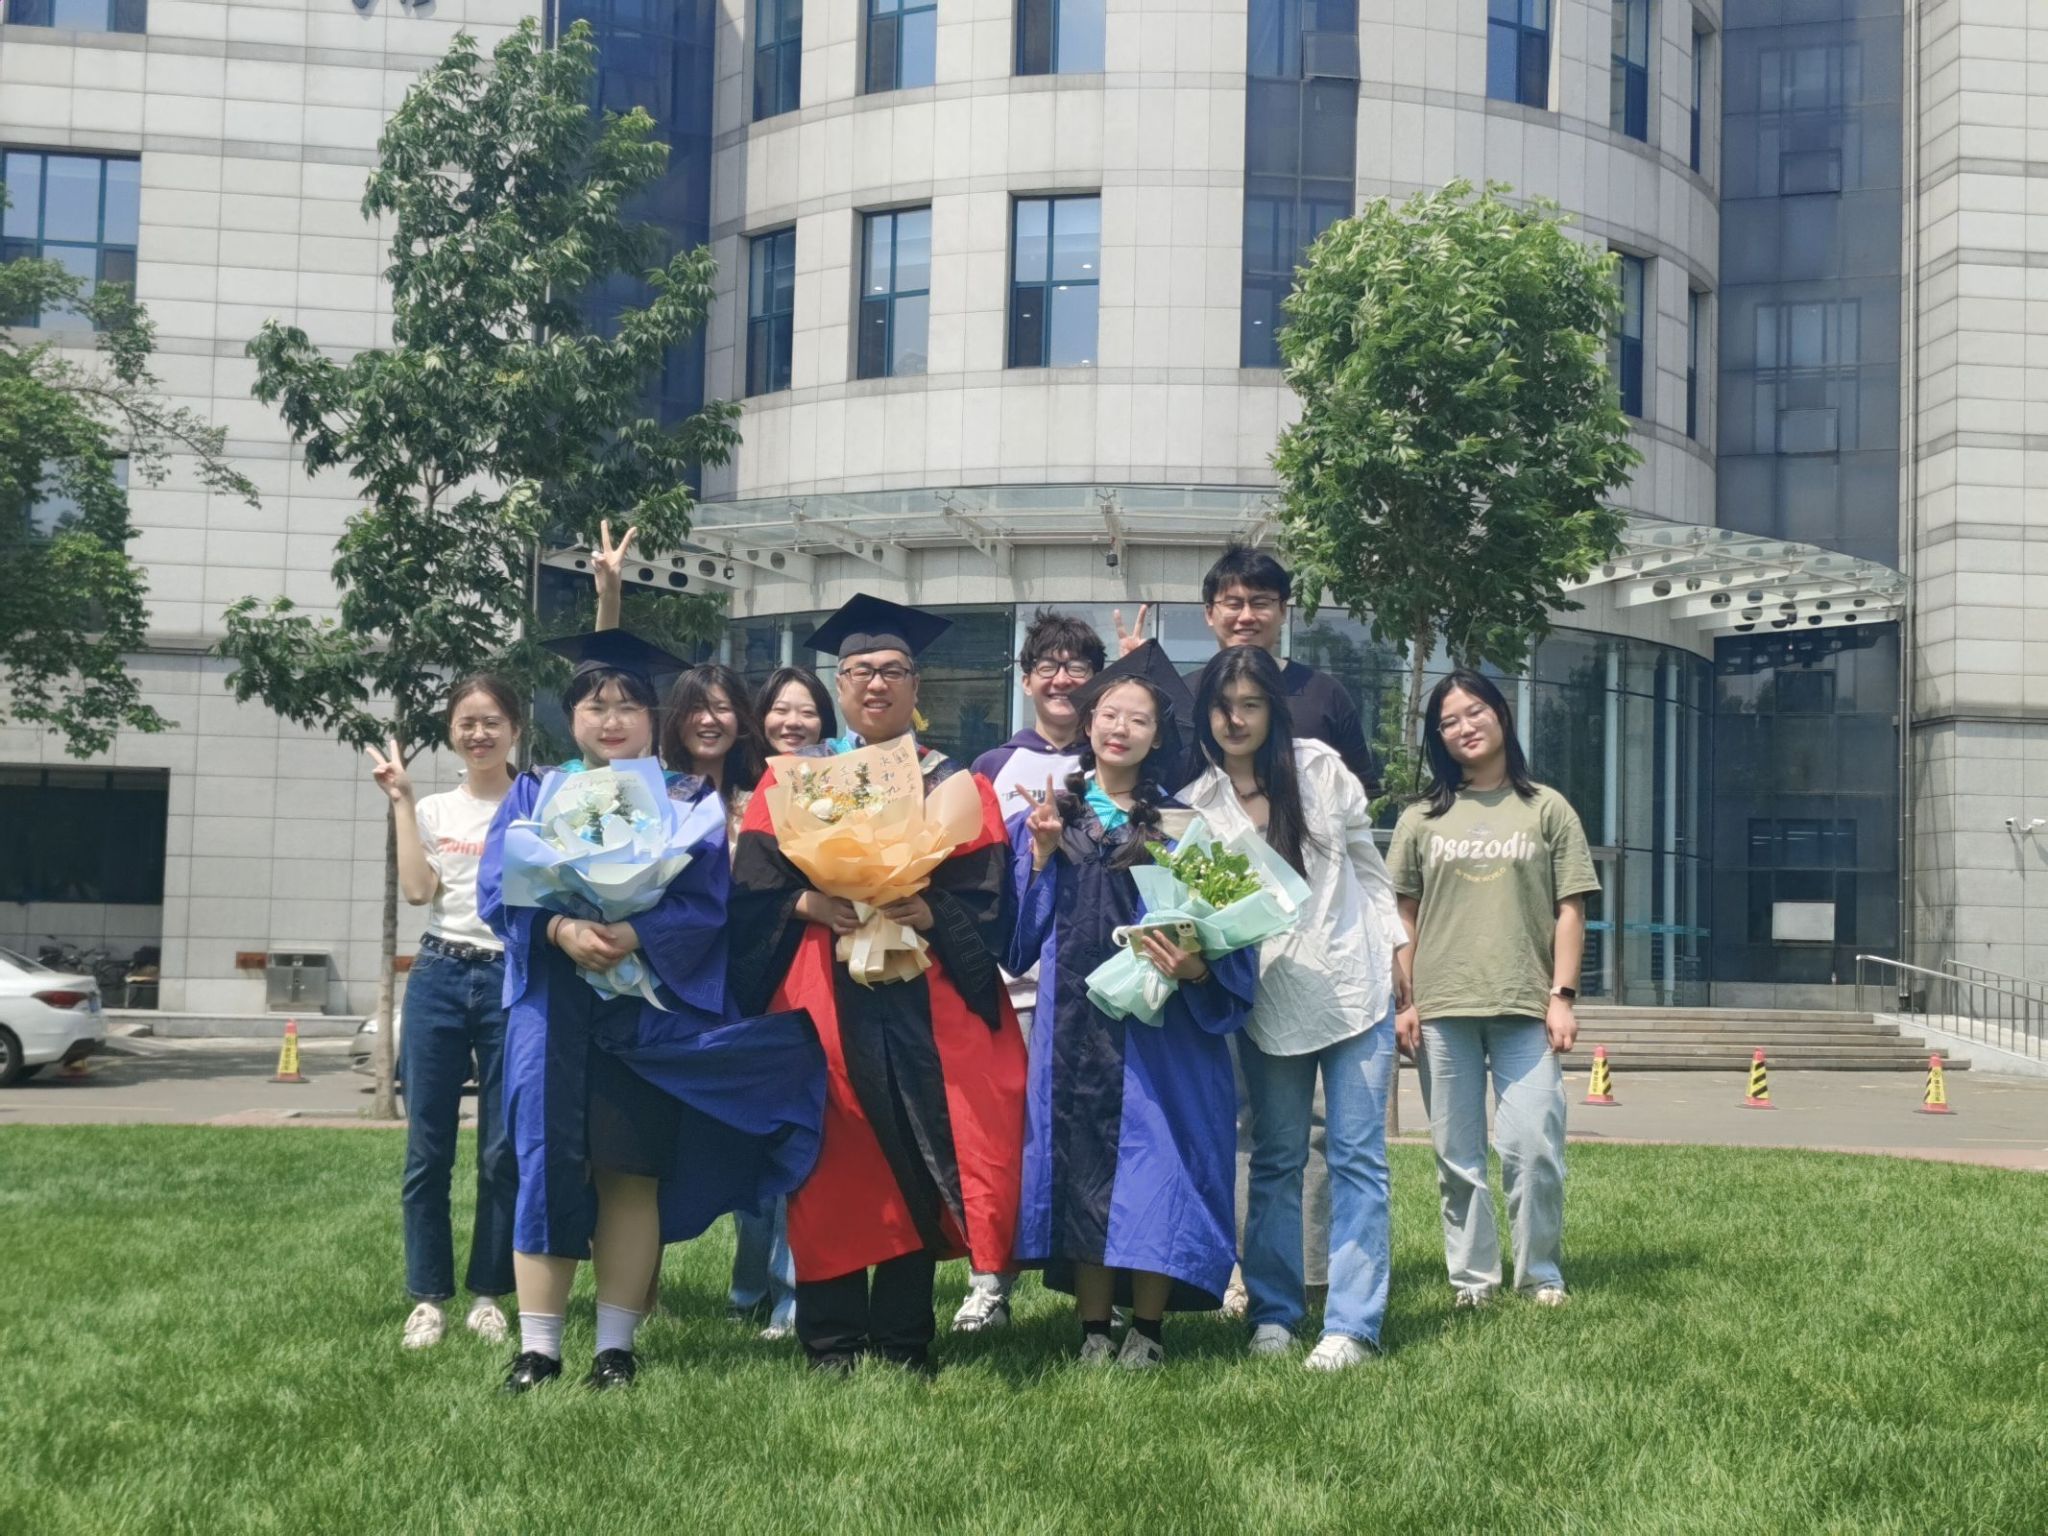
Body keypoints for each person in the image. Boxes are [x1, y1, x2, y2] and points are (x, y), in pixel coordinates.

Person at [479, 629, 824, 1393]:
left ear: (650, 718)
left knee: (630, 1174)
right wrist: (562, 929)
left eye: (628, 706)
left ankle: (616, 1350)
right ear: (570, 717)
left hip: (644, 1013)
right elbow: (498, 889)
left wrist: (637, 933)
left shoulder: (684, 799)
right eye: (595, 707)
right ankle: (539, 1350)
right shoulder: (535, 791)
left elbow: (707, 902)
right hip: (554, 1009)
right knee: (546, 1166)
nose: (612, 721)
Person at [730, 594, 1027, 1375]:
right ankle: (830, 1340)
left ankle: (902, 1339)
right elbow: (752, 888)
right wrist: (808, 903)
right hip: (826, 1003)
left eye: (892, 670)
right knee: (833, 1160)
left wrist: (929, 910)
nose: (876, 683)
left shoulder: (954, 782)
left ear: (916, 685)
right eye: (860, 670)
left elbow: (989, 898)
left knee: (911, 1159)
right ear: (840, 684)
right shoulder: (795, 784)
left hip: (920, 1001)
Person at [1119, 544, 1378, 1316]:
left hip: (1337, 965)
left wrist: (1390, 944)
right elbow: (1157, 807)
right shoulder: (1191, 734)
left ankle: (1326, 1288)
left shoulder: (1322, 722)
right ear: (1210, 614)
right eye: (1231, 601)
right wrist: (1137, 675)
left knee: (1336, 1143)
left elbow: (1360, 843)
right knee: (1255, 1136)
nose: (1245, 614)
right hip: (1243, 974)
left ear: (1282, 612)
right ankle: (1253, 1284)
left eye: (1260, 601)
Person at [1006, 642, 1258, 1368]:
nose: (1121, 728)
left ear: (1157, 737)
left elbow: (1231, 931)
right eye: (1109, 714)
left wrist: (1198, 967)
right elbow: (1018, 939)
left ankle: (1147, 1331)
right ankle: (1093, 1331)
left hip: (1158, 1034)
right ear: (1088, 724)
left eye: (1139, 719)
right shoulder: (1050, 813)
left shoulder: (1183, 826)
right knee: (1083, 1164)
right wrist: (1040, 856)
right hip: (1073, 1029)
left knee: (1158, 1172)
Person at [1182, 647, 1406, 1370]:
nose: (1236, 719)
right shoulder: (1199, 803)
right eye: (1223, 707)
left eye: (1251, 704)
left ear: (1273, 709)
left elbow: (1368, 867)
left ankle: (1353, 1325)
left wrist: (1398, 950)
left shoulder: (1320, 769)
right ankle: (1273, 1314)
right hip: (1269, 1001)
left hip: (1354, 982)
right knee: (1276, 1157)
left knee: (1357, 1157)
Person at [1388, 668, 1599, 1309]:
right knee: (1457, 1157)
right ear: (1438, 737)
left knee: (1534, 1147)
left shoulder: (1547, 808)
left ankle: (1540, 1274)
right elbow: (1402, 915)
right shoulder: (1421, 818)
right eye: (1448, 722)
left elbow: (1570, 908)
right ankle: (1472, 1282)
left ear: (1502, 715)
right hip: (1442, 1006)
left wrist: (1562, 997)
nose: (1465, 727)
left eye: (1475, 712)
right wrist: (1406, 1001)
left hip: (1525, 1004)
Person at [952, 607, 1107, 1334]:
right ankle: (990, 1281)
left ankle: (1097, 1286)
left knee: (1089, 1128)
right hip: (1012, 976)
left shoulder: (1115, 760)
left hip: (1095, 980)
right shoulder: (992, 767)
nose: (1062, 678)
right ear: (1025, 680)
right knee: (1001, 1133)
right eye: (1048, 665)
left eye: (1078, 666)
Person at [366, 676, 524, 1352]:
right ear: (451, 732)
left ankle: (489, 1295)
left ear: (515, 728)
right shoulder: (433, 807)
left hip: (511, 976)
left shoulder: (535, 802)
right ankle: (428, 1298)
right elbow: (417, 890)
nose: (478, 734)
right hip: (438, 973)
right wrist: (401, 801)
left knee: (501, 1150)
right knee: (428, 1149)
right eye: (466, 722)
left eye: (491, 722)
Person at [757, 665, 839, 758]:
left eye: (807, 712)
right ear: (762, 717)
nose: (793, 722)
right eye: (781, 710)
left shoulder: (846, 766)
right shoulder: (745, 766)